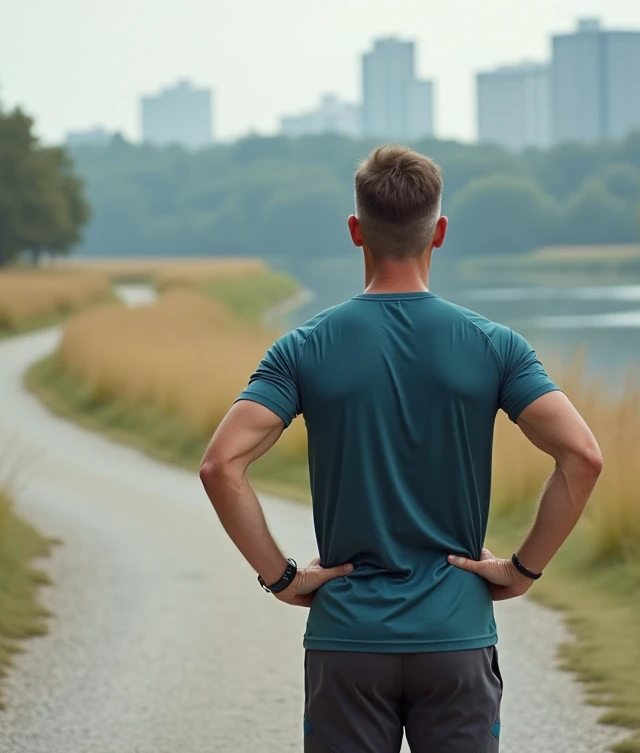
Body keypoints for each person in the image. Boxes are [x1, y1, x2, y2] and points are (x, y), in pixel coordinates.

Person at [199, 144, 603, 753]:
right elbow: (583, 458)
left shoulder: (303, 347)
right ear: (439, 232)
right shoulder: (495, 345)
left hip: (347, 641)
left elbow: (220, 465)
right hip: (457, 637)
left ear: (355, 230)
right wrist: (520, 572)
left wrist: (281, 578)